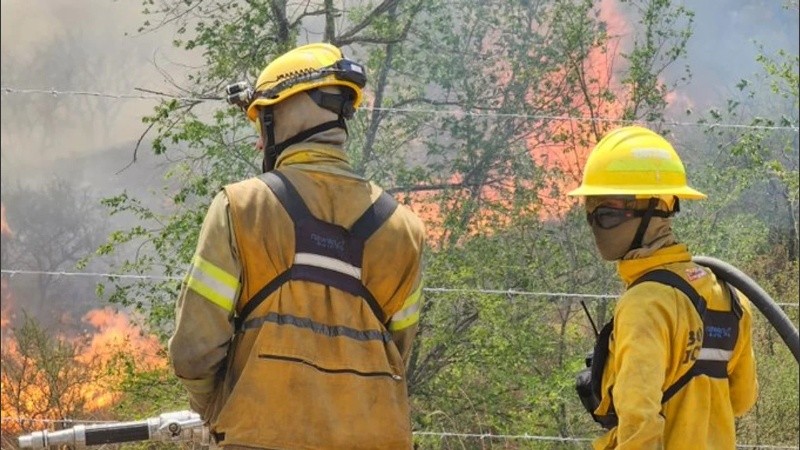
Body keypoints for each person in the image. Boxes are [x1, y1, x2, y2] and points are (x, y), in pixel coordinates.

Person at [168, 42, 426, 450]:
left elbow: (194, 351)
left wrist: (218, 409)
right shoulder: (405, 229)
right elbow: (398, 354)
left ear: (285, 113)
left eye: (262, 122)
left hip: (261, 437)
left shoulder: (242, 207)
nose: (259, 142)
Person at [568, 125, 758, 449]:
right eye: (590, 213)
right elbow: (740, 401)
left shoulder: (646, 303)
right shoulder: (730, 296)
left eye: (607, 214)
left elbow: (639, 427)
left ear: (657, 211)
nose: (595, 227)